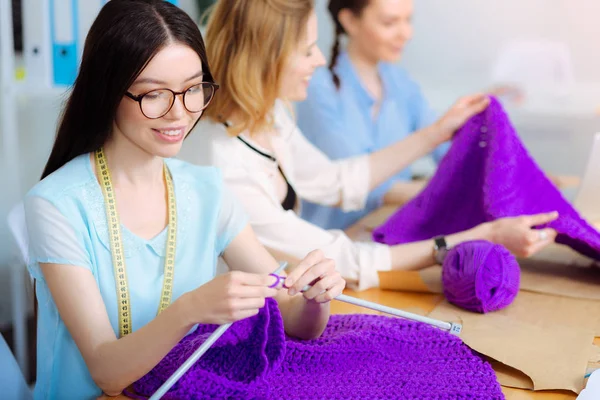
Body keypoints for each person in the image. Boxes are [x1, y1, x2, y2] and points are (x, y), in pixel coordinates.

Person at [24, 1, 344, 398]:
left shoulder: (206, 190)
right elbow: (106, 372)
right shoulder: (55, 205)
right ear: (106, 91)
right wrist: (191, 309)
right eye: (155, 94)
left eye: (193, 89)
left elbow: (293, 319)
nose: (180, 113)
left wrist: (316, 297)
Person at [179, 0, 558, 293]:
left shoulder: (268, 114)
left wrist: (439, 131)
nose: (320, 59)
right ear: (263, 59)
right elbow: (347, 258)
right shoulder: (223, 165)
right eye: (307, 49)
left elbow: (336, 180)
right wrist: (485, 235)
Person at [296, 0, 517, 230]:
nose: (406, 33)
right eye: (389, 22)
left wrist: (497, 160)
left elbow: (448, 150)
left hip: (383, 229)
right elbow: (357, 183)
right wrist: (463, 191)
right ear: (350, 20)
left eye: (408, 20)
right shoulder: (316, 88)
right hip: (329, 241)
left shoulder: (400, 83)